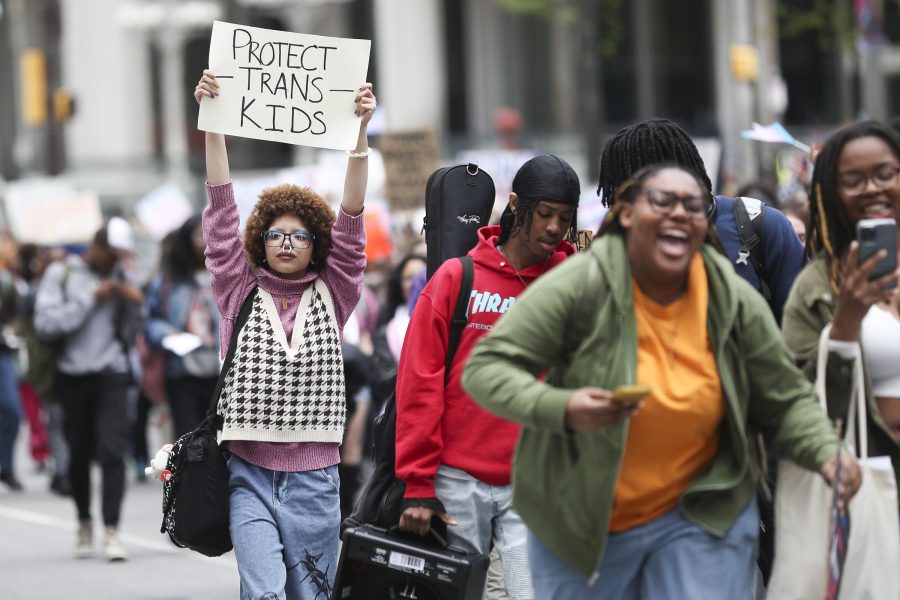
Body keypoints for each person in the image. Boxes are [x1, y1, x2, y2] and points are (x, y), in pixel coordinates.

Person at [461, 164, 861, 598]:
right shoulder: (582, 283)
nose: (679, 214)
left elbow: (784, 397)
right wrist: (564, 408)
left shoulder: (729, 296)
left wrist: (826, 452)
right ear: (628, 216)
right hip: (583, 517)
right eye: (663, 202)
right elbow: (488, 367)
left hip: (699, 515)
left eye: (693, 206)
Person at [194, 69, 375, 599]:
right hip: (247, 473)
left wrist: (359, 131)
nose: (288, 244)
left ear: (316, 244)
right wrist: (214, 121)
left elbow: (353, 217)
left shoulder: (337, 289)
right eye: (277, 234)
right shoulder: (236, 289)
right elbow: (220, 208)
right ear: (261, 241)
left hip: (317, 482)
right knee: (265, 594)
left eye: (299, 236)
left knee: (312, 596)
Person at [395, 154, 581, 599]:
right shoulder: (456, 278)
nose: (555, 227)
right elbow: (418, 384)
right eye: (545, 214)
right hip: (456, 483)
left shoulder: (572, 283)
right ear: (516, 204)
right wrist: (418, 485)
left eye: (565, 218)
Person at [782, 120, 900, 488]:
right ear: (830, 193)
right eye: (853, 181)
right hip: (869, 486)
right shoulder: (815, 288)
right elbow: (796, 404)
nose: (872, 189)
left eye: (885, 174)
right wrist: (846, 321)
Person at [596, 118, 805, 323]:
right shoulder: (607, 256)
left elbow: (800, 330)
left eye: (660, 197)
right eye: (622, 197)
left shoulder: (761, 225)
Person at [34, 217, 144, 560]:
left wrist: (134, 302)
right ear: (96, 248)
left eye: (120, 257)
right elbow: (45, 323)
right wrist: (90, 300)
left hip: (112, 373)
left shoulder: (123, 275)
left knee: (113, 452)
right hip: (73, 376)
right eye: (111, 256)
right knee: (79, 454)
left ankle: (112, 529)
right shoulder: (61, 274)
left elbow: (134, 331)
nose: (115, 264)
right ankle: (84, 521)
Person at [144, 215, 221, 439]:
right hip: (183, 371)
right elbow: (150, 322)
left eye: (209, 234)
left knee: (220, 444)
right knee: (189, 440)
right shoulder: (169, 280)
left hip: (220, 374)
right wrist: (168, 334)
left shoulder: (226, 276)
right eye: (199, 234)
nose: (205, 240)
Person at [370, 253, 426, 403]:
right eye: (409, 278)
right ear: (399, 284)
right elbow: (382, 382)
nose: (417, 282)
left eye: (422, 275)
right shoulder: (388, 330)